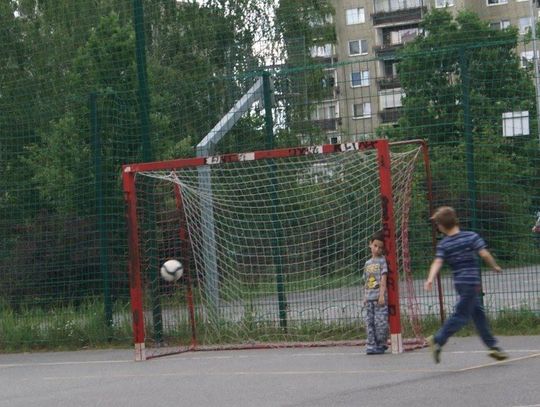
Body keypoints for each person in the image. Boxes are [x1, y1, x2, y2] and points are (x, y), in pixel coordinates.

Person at [424, 206, 508, 363]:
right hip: (471, 283)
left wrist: (430, 278)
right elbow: (484, 253)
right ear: (456, 221)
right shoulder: (471, 237)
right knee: (462, 315)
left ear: (441, 227)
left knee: (478, 314)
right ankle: (438, 339)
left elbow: (438, 261)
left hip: (460, 284)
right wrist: (494, 266)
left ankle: (493, 347)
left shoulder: (444, 244)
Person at [363, 231, 389, 355]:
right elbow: (366, 281)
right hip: (369, 298)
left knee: (381, 322)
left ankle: (382, 343)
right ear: (370, 244)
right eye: (375, 246)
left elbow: (383, 279)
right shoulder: (367, 263)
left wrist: (381, 295)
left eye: (380, 247)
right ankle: (371, 344)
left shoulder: (382, 261)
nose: (377, 249)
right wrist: (365, 296)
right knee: (369, 323)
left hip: (379, 299)